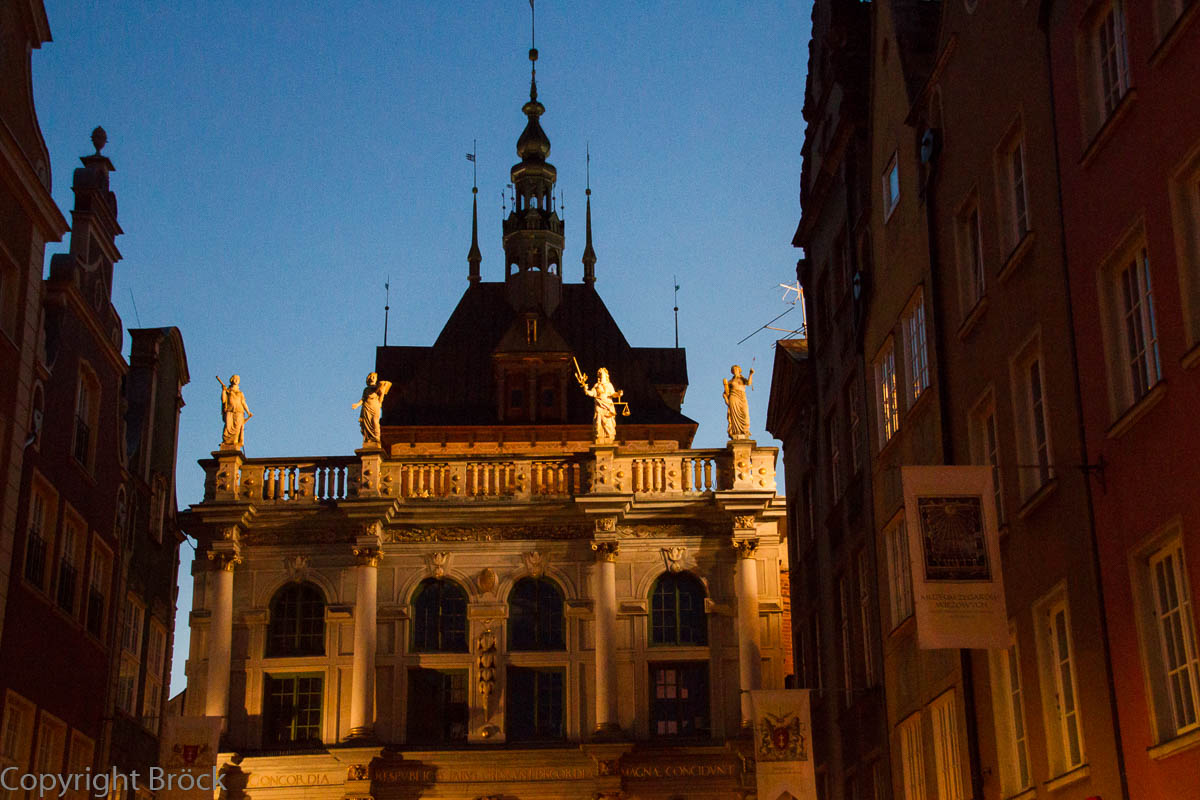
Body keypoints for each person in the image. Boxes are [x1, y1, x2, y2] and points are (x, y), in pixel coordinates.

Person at [579, 367, 623, 444]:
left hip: (608, 405)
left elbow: (613, 394)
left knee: (608, 422)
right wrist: (585, 390)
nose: (601, 374)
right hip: (599, 405)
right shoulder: (596, 385)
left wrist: (618, 394)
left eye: (602, 373)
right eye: (600, 373)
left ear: (606, 374)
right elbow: (592, 393)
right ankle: (599, 436)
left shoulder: (609, 385)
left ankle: (608, 436)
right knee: (598, 421)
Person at [352, 372, 392, 448]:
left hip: (375, 405)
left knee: (375, 422)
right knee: (367, 423)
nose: (372, 378)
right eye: (370, 377)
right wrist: (357, 405)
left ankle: (376, 439)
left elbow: (381, 398)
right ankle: (369, 439)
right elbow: (363, 399)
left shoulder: (378, 387)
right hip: (367, 406)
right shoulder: (366, 389)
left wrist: (382, 390)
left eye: (374, 377)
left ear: (376, 379)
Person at [217, 374, 252, 450]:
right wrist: (223, 390)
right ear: (232, 380)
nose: (236, 380)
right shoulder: (228, 391)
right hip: (230, 411)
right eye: (235, 378)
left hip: (239, 411)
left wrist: (248, 411)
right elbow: (223, 400)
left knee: (237, 427)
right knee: (228, 427)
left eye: (238, 379)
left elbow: (243, 403)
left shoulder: (240, 393)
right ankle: (227, 442)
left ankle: (235, 441)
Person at [723, 364, 754, 440]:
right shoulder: (730, 382)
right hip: (733, 397)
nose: (735, 370)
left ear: (739, 370)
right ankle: (736, 433)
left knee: (745, 414)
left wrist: (751, 374)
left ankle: (745, 431)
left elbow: (749, 383)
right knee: (735, 417)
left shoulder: (742, 379)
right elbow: (726, 393)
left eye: (736, 369)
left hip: (742, 397)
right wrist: (725, 385)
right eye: (733, 370)